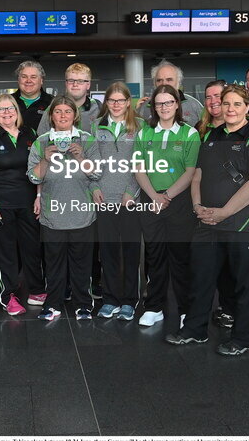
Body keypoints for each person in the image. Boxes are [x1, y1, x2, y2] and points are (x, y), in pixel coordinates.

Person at [166, 85, 249, 355]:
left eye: (237, 104)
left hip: (244, 224)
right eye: (226, 103)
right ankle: (194, 330)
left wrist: (224, 212)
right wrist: (197, 206)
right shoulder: (212, 135)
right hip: (207, 222)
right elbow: (198, 175)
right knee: (201, 278)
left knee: (246, 285)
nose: (230, 109)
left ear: (247, 108)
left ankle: (244, 338)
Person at [27, 96, 102, 322]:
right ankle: (53, 304)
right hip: (53, 215)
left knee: (82, 264)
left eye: (67, 112)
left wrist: (80, 156)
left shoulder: (87, 140)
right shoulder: (41, 141)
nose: (62, 116)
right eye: (57, 112)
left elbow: (97, 173)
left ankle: (83, 305)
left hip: (82, 213)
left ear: (74, 115)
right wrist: (46, 160)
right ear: (51, 116)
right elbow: (32, 176)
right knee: (54, 264)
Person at [134, 84, 201, 327]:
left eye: (168, 102)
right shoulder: (144, 133)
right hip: (150, 200)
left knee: (180, 257)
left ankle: (185, 310)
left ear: (177, 105)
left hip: (178, 202)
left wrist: (166, 196)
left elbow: (190, 171)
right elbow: (139, 169)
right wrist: (154, 196)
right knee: (154, 255)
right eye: (159, 103)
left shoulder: (189, 134)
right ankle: (154, 307)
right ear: (153, 106)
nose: (164, 107)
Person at [0, 93, 44, 315]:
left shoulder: (30, 134)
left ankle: (37, 290)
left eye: (10, 109)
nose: (7, 113)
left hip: (28, 202)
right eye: (1, 110)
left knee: (32, 248)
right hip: (2, 204)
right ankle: (7, 295)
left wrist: (39, 196)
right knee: (5, 252)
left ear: (17, 112)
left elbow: (39, 168)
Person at [92, 82, 143, 320]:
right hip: (104, 198)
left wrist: (131, 191)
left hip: (130, 199)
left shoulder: (140, 126)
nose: (116, 105)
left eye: (120, 100)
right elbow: (89, 163)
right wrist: (93, 187)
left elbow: (142, 163)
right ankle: (110, 299)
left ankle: (129, 301)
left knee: (131, 251)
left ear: (128, 102)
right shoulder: (96, 127)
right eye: (111, 100)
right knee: (108, 251)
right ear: (106, 103)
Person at [36, 63, 102, 135]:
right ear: (66, 83)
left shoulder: (98, 108)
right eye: (71, 80)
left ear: (88, 85)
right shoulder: (53, 107)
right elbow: (41, 138)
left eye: (80, 81)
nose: (75, 85)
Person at [137, 60, 204, 126]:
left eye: (169, 80)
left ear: (179, 81)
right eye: (159, 80)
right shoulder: (144, 108)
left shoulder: (194, 105)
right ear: (154, 83)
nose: (164, 83)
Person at [12, 61, 54, 131]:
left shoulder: (53, 103)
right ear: (18, 80)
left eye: (33, 77)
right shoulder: (7, 102)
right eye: (24, 77)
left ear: (41, 80)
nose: (28, 81)